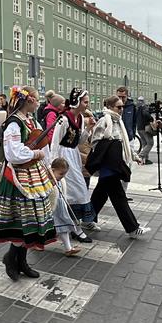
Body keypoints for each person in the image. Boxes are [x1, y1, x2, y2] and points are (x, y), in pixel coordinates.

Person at [0, 86, 56, 282]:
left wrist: (48, 167)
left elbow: (42, 144)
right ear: (29, 101)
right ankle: (11, 260)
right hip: (18, 177)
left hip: (33, 175)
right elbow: (13, 153)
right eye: (37, 99)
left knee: (31, 222)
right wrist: (36, 153)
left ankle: (21, 261)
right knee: (21, 222)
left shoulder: (31, 120)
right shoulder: (14, 123)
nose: (38, 102)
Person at [87, 95, 151, 239]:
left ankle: (87, 218)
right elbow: (95, 142)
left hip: (116, 164)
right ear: (110, 107)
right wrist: (109, 145)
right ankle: (133, 228)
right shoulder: (104, 121)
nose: (121, 109)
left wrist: (135, 156)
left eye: (122, 106)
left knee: (100, 195)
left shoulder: (118, 121)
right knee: (119, 197)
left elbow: (124, 143)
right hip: (108, 166)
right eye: (119, 107)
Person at [49, 88, 98, 236]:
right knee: (73, 190)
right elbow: (55, 142)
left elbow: (79, 141)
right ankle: (72, 226)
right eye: (85, 102)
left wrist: (88, 128)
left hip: (73, 155)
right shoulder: (63, 119)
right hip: (63, 156)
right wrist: (54, 165)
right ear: (77, 102)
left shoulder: (80, 118)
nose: (87, 105)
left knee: (79, 189)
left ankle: (74, 223)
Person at [50, 158, 83, 256]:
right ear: (52, 170)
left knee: (63, 227)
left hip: (60, 208)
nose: (62, 176)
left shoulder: (61, 180)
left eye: (64, 174)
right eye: (61, 174)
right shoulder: (48, 181)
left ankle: (68, 248)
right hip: (51, 209)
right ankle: (36, 243)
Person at [135, 96, 155, 165]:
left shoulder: (137, 108)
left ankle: (145, 160)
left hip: (139, 128)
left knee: (144, 143)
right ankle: (140, 156)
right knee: (150, 143)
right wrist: (151, 119)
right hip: (145, 128)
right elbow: (146, 114)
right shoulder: (144, 107)